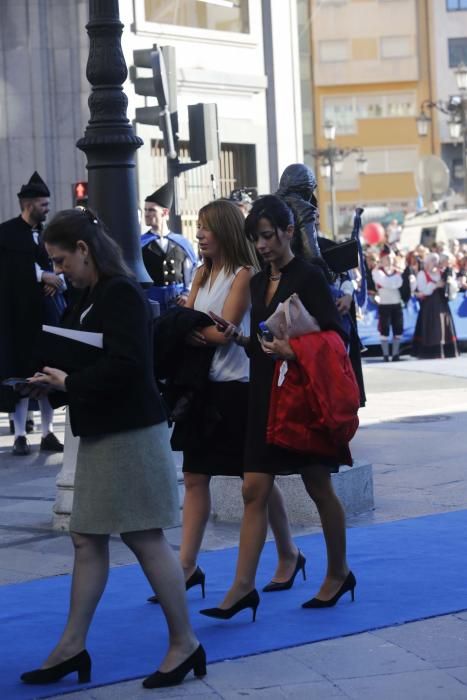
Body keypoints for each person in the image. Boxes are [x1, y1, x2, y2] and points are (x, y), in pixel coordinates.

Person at [21, 208, 205, 690]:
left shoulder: (120, 292)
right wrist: (54, 384)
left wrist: (71, 380)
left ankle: (184, 642)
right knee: (87, 538)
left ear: (84, 250)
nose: (59, 271)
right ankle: (72, 646)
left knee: (143, 537)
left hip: (129, 432)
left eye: (61, 260)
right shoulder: (91, 294)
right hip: (107, 431)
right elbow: (94, 362)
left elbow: (129, 367)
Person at [200, 195, 356, 622]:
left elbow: (337, 338)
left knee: (318, 487)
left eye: (268, 236)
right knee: (253, 488)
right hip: (265, 393)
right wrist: (238, 337)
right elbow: (264, 346)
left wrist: (295, 350)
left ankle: (339, 572)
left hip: (302, 396)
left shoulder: (308, 275)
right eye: (257, 238)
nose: (263, 245)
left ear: (289, 232)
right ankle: (242, 587)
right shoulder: (255, 283)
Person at [148, 199, 306, 605]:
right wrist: (191, 329)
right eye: (198, 228)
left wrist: (192, 328)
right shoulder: (201, 271)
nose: (199, 234)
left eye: (205, 227)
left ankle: (288, 552)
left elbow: (224, 329)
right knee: (196, 475)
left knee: (254, 479)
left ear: (224, 230)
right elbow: (191, 323)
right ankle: (186, 566)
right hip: (203, 386)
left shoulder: (244, 274)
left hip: (238, 385)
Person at [0, 171, 64, 455]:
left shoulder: (50, 234)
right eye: (43, 204)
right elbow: (8, 273)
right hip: (17, 317)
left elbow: (62, 266)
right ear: (28, 204)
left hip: (45, 315)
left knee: (47, 370)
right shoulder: (5, 234)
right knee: (20, 374)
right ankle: (20, 435)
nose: (47, 209)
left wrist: (55, 278)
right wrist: (41, 277)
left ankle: (49, 432)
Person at [141, 182, 197, 312]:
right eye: (145, 210)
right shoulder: (141, 243)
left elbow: (192, 271)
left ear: (165, 212)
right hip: (152, 300)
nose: (147, 214)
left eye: (151, 210)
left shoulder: (182, 242)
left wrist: (187, 293)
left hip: (178, 302)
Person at [413, 252, 459, 359]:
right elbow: (423, 290)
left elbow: (452, 291)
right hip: (429, 306)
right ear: (427, 263)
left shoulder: (442, 273)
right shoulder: (422, 274)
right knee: (432, 328)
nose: (434, 263)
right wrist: (435, 285)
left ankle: (446, 351)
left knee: (443, 327)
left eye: (435, 261)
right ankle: (431, 352)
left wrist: (450, 283)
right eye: (432, 261)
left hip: (442, 305)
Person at [372, 252, 404, 362]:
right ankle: (385, 355)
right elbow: (388, 283)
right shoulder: (377, 272)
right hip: (384, 304)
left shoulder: (397, 271)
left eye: (391, 258)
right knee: (384, 329)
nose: (389, 260)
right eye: (387, 258)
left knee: (398, 329)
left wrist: (391, 281)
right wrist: (392, 280)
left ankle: (395, 354)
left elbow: (398, 284)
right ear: (382, 259)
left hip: (396, 303)